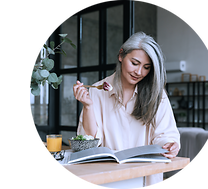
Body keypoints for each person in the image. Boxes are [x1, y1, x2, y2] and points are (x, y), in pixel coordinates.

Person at [73, 32, 180, 187]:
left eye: (146, 67)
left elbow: (165, 133)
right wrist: (88, 106)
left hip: (145, 176)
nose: (139, 72)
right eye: (135, 63)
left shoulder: (157, 94)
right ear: (121, 55)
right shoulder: (97, 91)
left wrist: (170, 145)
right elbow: (89, 141)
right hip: (108, 175)